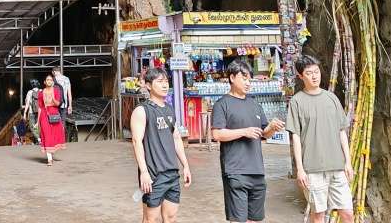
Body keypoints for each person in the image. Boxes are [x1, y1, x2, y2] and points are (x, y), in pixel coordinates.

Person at [210, 60, 286, 223]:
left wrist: (272, 127)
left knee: (256, 219)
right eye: (243, 78)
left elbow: (264, 134)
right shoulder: (222, 104)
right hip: (236, 171)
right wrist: (244, 132)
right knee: (238, 220)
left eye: (249, 79)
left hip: (257, 170)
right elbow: (217, 134)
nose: (247, 83)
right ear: (232, 77)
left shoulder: (254, 105)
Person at [286, 55, 354, 223]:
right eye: (309, 73)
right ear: (301, 76)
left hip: (337, 166)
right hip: (312, 169)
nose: (314, 76)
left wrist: (348, 162)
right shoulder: (296, 102)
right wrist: (300, 169)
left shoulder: (331, 98)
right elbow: (295, 136)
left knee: (347, 213)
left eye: (316, 72)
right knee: (318, 215)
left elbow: (341, 132)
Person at [130, 67, 192, 223]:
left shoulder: (169, 110)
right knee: (150, 219)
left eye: (166, 81)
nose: (165, 85)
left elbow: (176, 137)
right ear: (149, 85)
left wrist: (185, 165)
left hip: (171, 173)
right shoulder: (142, 111)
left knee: (171, 217)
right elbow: (136, 142)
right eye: (160, 82)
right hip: (153, 175)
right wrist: (144, 172)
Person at [37, 73, 66, 165]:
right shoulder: (41, 93)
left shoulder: (56, 90)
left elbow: (57, 104)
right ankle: (49, 159)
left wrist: (53, 98)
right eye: (47, 80)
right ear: (44, 82)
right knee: (46, 134)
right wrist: (37, 121)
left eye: (51, 80)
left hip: (54, 114)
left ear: (52, 82)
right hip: (44, 115)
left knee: (55, 134)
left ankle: (51, 152)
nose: (49, 81)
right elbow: (40, 107)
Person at [22, 79, 40, 143]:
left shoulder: (30, 92)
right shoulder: (41, 91)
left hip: (31, 112)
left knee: (32, 127)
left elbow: (27, 104)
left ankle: (38, 139)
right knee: (39, 126)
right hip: (40, 112)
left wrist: (24, 113)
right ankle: (40, 139)